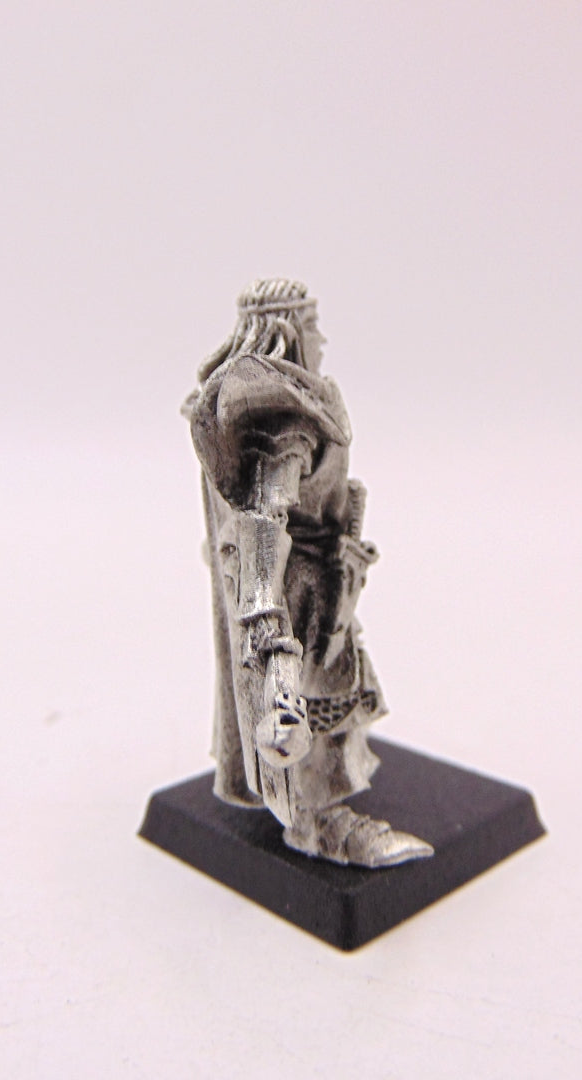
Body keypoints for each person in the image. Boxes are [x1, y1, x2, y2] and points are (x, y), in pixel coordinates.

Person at [182, 279, 432, 867]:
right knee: (316, 711)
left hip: (326, 586)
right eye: (312, 325)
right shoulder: (285, 427)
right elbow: (262, 524)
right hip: (302, 598)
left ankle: (323, 812)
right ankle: (318, 826)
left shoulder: (300, 408)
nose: (322, 338)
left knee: (336, 705)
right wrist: (271, 644)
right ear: (288, 332)